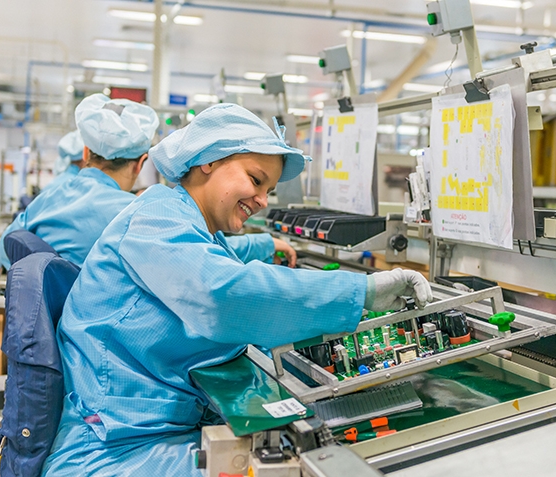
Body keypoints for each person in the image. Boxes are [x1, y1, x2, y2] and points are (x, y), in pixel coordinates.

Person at [41, 103, 432, 476]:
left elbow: (224, 268)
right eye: (256, 180)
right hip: (113, 450)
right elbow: (223, 294)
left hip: (143, 427)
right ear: (208, 160)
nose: (262, 200)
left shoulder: (187, 221)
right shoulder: (155, 219)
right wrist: (360, 292)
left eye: (268, 190)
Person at [0, 93, 158, 269]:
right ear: (140, 163)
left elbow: (6, 248)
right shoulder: (137, 215)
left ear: (86, 152)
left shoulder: (48, 199)